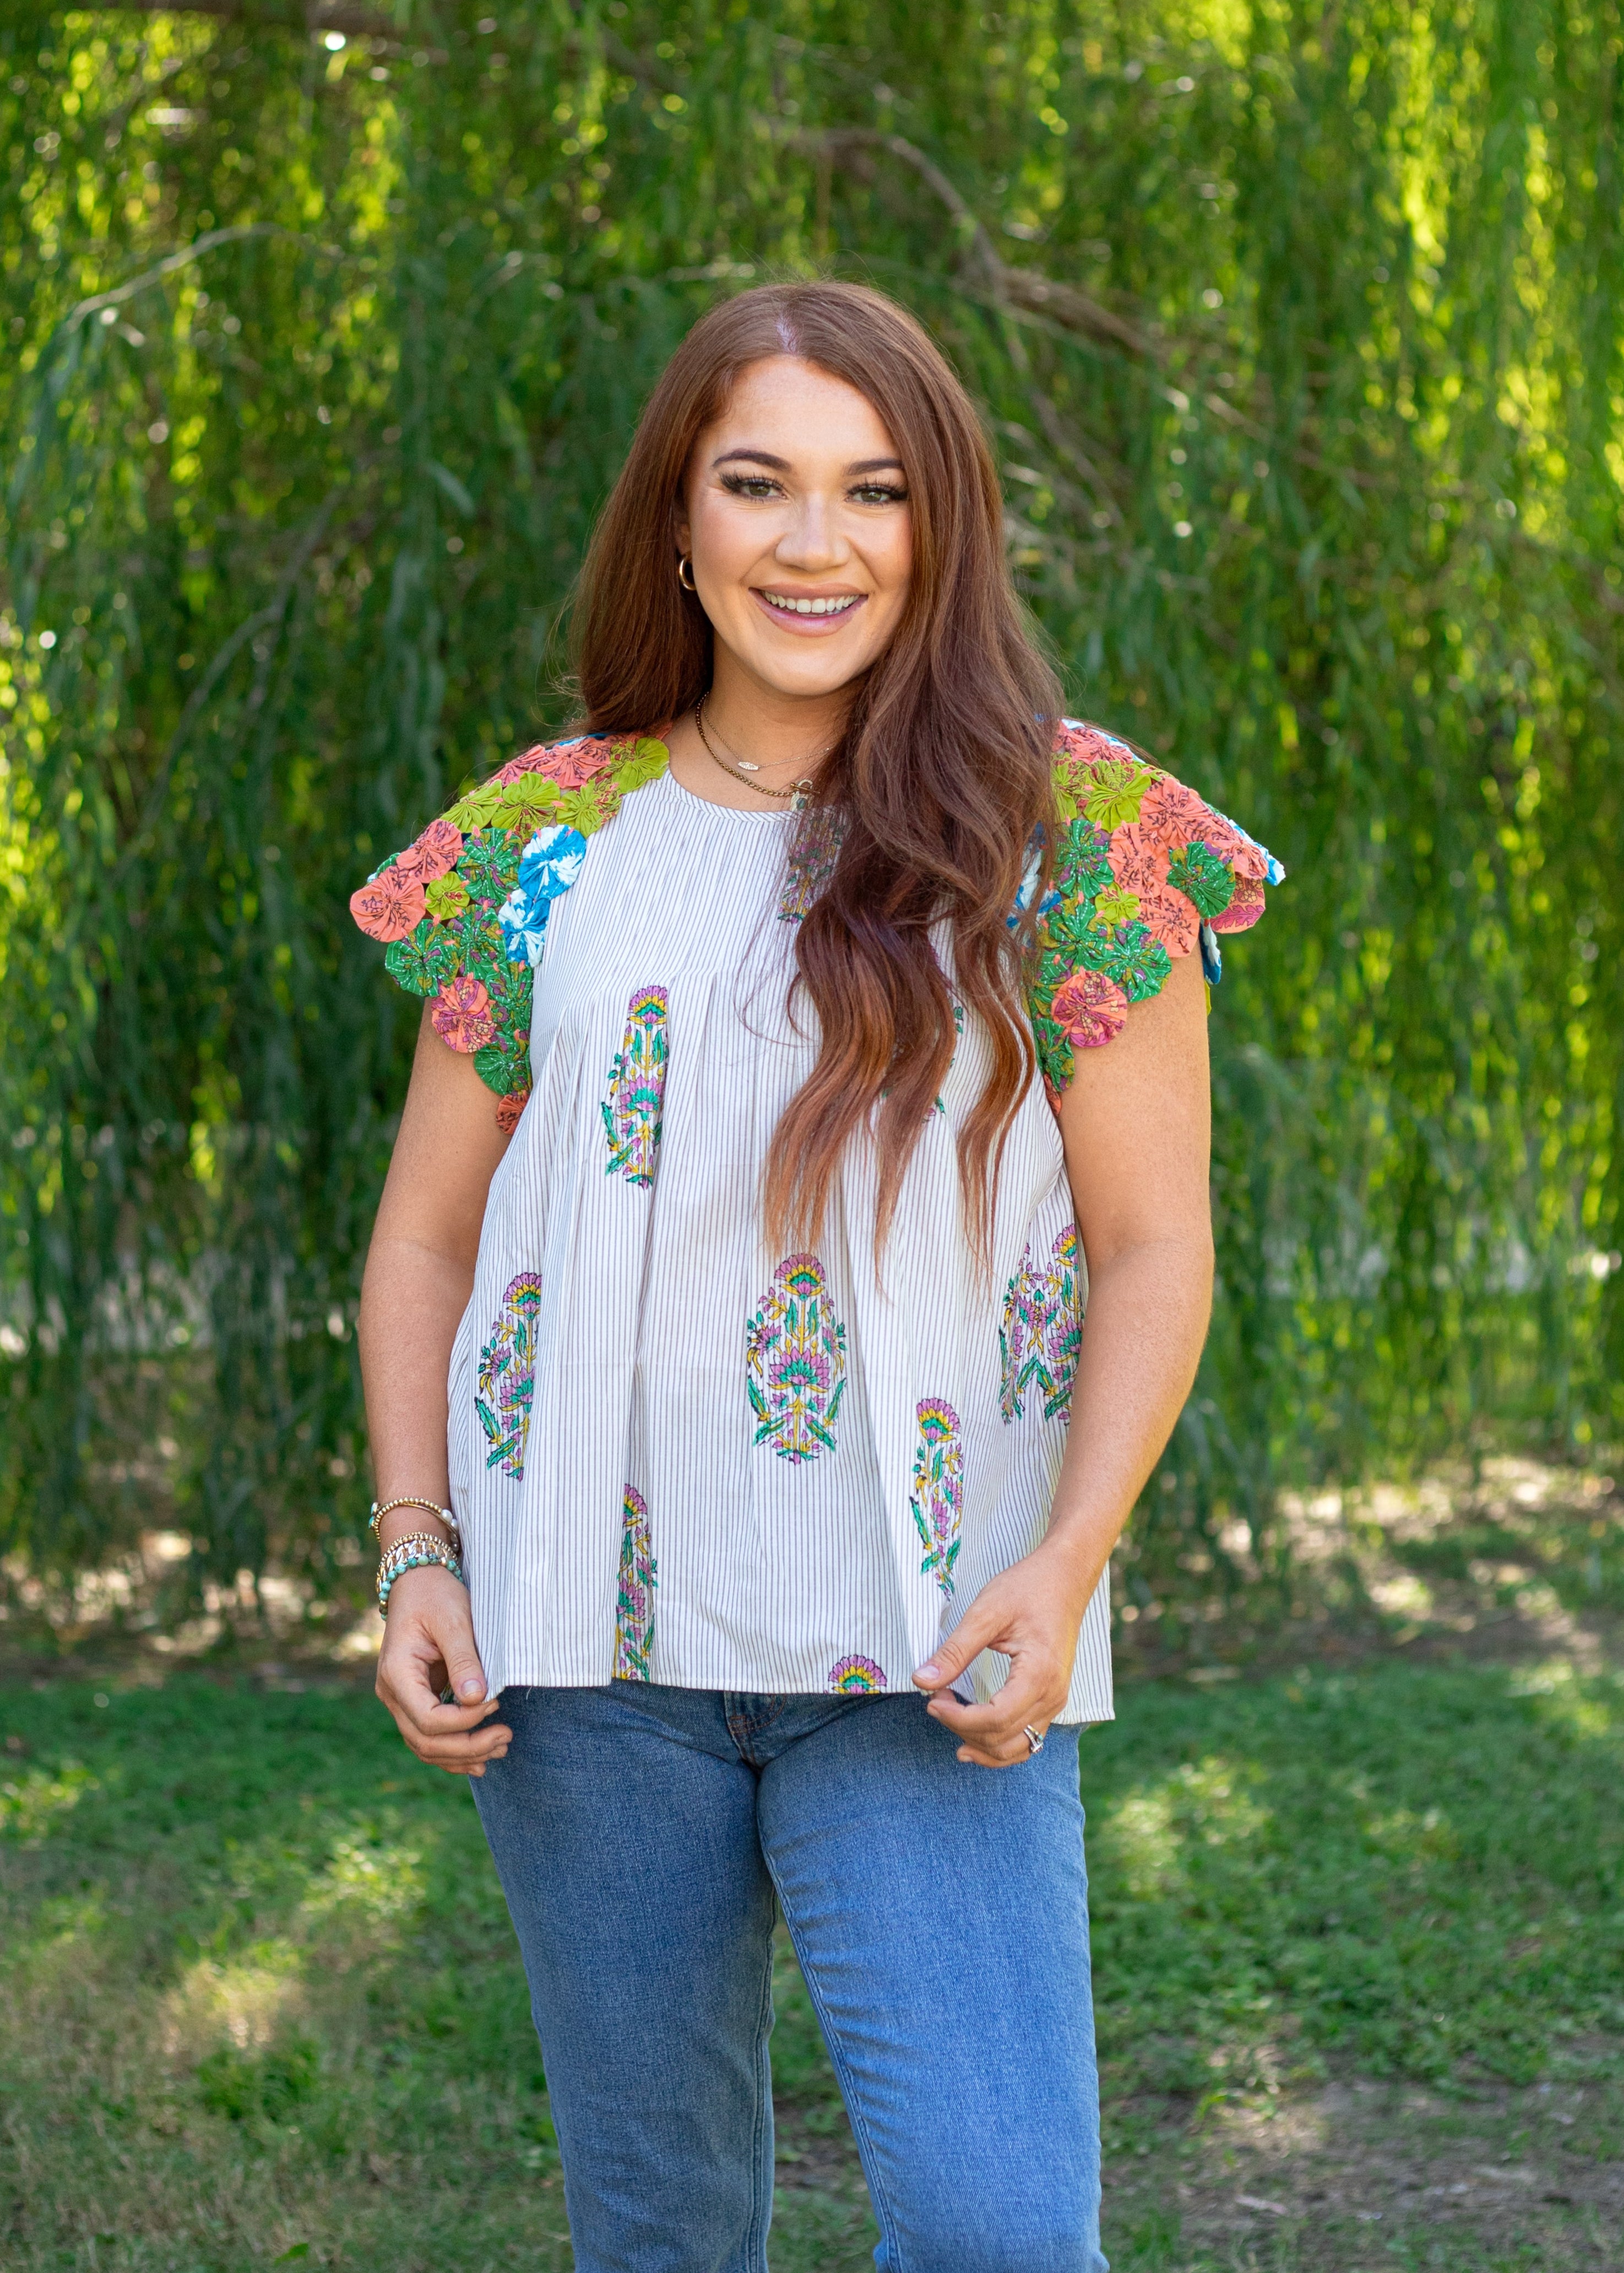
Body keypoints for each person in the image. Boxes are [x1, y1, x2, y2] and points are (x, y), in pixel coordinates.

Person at [350, 280, 1280, 2273]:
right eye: (757, 483)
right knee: (664, 2231)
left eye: (873, 492)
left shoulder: (1081, 829)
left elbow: (1154, 1244)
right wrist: (419, 1545)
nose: (813, 542)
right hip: (582, 1658)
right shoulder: (545, 840)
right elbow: (428, 1235)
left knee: (1003, 2232)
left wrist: (1073, 1555)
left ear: (939, 528)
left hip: (933, 1650)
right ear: (676, 522)